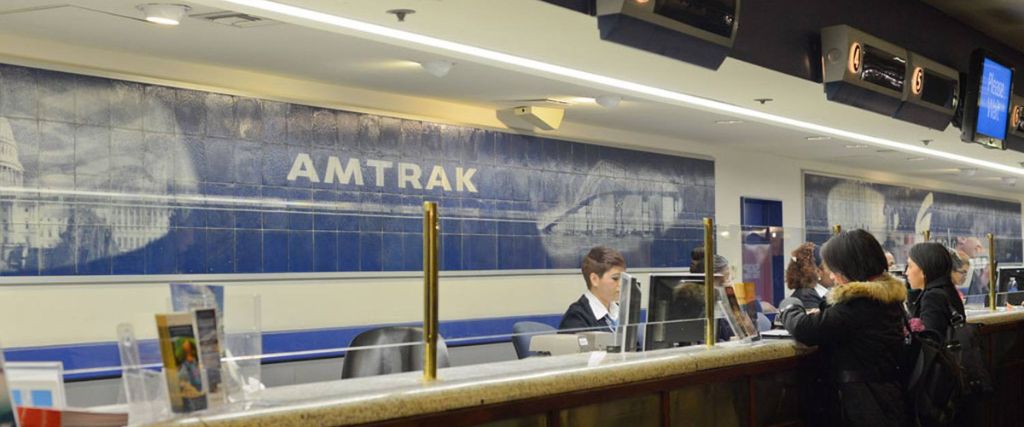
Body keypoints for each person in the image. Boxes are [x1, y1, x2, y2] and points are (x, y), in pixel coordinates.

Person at [779, 229, 910, 426]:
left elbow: (805, 329)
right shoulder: (887, 297)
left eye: (834, 270)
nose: (832, 276)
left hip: (864, 404)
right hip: (888, 397)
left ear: (849, 268)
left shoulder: (857, 303)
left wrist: (789, 306)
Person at [906, 242, 965, 343]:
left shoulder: (932, 297)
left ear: (924, 269)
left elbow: (930, 341)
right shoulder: (947, 289)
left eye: (910, 266)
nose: (906, 272)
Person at [558, 246, 626, 333]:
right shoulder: (576, 318)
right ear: (594, 279)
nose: (621, 284)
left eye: (623, 278)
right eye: (615, 278)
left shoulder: (622, 310)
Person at [786, 242, 825, 309]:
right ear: (818, 272)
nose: (834, 271)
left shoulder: (808, 295)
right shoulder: (808, 300)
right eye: (829, 266)